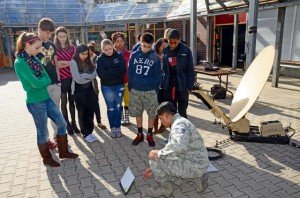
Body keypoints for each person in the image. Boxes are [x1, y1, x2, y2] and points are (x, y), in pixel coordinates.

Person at [14, 32, 78, 167]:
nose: (38, 50)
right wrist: (42, 81)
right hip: (35, 102)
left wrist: (42, 81)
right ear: (27, 45)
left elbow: (47, 78)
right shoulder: (20, 62)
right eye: (36, 47)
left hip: (46, 98)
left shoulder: (34, 58)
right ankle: (47, 159)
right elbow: (36, 84)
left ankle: (63, 151)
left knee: (62, 123)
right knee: (42, 131)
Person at [143, 102, 209, 197]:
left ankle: (166, 189)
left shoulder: (179, 125)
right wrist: (153, 169)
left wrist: (158, 155)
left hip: (195, 165)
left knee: (154, 158)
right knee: (160, 158)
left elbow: (179, 147)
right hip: (197, 162)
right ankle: (198, 178)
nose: (161, 122)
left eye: (161, 119)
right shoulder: (179, 121)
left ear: (166, 116)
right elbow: (172, 147)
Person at [128, 33, 161, 147]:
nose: (146, 49)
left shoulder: (155, 57)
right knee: (138, 112)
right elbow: (130, 71)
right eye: (144, 46)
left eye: (148, 46)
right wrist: (131, 86)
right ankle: (139, 133)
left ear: (152, 45)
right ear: (140, 43)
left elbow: (158, 76)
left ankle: (150, 134)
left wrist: (155, 89)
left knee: (152, 113)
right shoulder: (134, 55)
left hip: (150, 91)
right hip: (136, 89)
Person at [36, 18, 59, 149]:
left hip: (54, 84)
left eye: (51, 33)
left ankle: (58, 136)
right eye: (47, 33)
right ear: (39, 30)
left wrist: (58, 80)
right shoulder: (32, 44)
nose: (49, 36)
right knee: (42, 115)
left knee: (55, 113)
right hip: (40, 86)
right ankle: (46, 140)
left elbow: (54, 63)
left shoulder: (51, 44)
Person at [96, 39, 126, 138]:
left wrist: (109, 70)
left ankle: (118, 128)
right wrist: (114, 70)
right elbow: (101, 75)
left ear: (113, 47)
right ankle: (112, 128)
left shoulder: (119, 56)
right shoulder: (100, 59)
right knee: (111, 108)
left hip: (119, 85)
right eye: (106, 50)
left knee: (118, 107)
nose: (109, 51)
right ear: (102, 49)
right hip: (107, 87)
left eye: (110, 49)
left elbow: (122, 70)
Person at [162, 29, 195, 118]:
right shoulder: (164, 50)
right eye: (170, 42)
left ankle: (182, 130)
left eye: (175, 43)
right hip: (169, 85)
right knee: (171, 111)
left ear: (179, 40)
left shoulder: (186, 50)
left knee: (182, 111)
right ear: (167, 40)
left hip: (182, 86)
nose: (172, 45)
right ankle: (173, 129)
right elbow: (162, 69)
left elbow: (190, 70)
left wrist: (189, 87)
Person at [54, 26, 80, 135]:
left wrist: (65, 63)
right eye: (60, 36)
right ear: (57, 37)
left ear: (67, 36)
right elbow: (55, 65)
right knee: (64, 103)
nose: (62, 38)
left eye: (64, 36)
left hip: (72, 78)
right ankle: (67, 125)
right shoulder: (54, 48)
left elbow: (76, 62)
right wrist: (68, 63)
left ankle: (74, 123)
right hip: (62, 80)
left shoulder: (72, 48)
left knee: (72, 102)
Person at [70, 44, 98, 143]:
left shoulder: (88, 61)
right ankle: (85, 133)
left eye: (86, 54)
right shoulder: (73, 62)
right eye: (82, 54)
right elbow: (78, 79)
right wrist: (88, 76)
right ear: (78, 53)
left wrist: (84, 75)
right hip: (79, 91)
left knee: (90, 111)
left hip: (90, 90)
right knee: (82, 113)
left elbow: (94, 74)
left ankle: (90, 131)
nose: (84, 56)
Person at [111, 32, 131, 125]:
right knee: (118, 101)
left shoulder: (129, 54)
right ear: (114, 42)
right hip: (116, 82)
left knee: (127, 100)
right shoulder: (111, 54)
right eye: (117, 41)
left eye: (121, 41)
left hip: (127, 81)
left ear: (124, 42)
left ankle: (127, 117)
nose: (120, 43)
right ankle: (121, 117)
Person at [87, 42, 107, 130]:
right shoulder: (83, 58)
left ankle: (99, 121)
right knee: (88, 105)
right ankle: (90, 121)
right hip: (85, 85)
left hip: (94, 84)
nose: (89, 53)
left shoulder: (96, 58)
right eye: (88, 51)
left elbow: (96, 71)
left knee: (96, 103)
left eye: (90, 51)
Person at [153, 38, 168, 134]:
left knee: (164, 106)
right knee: (154, 106)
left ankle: (163, 125)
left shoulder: (168, 55)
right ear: (158, 46)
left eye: (166, 47)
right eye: (163, 46)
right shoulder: (152, 55)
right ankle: (154, 126)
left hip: (165, 84)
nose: (164, 48)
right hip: (155, 85)